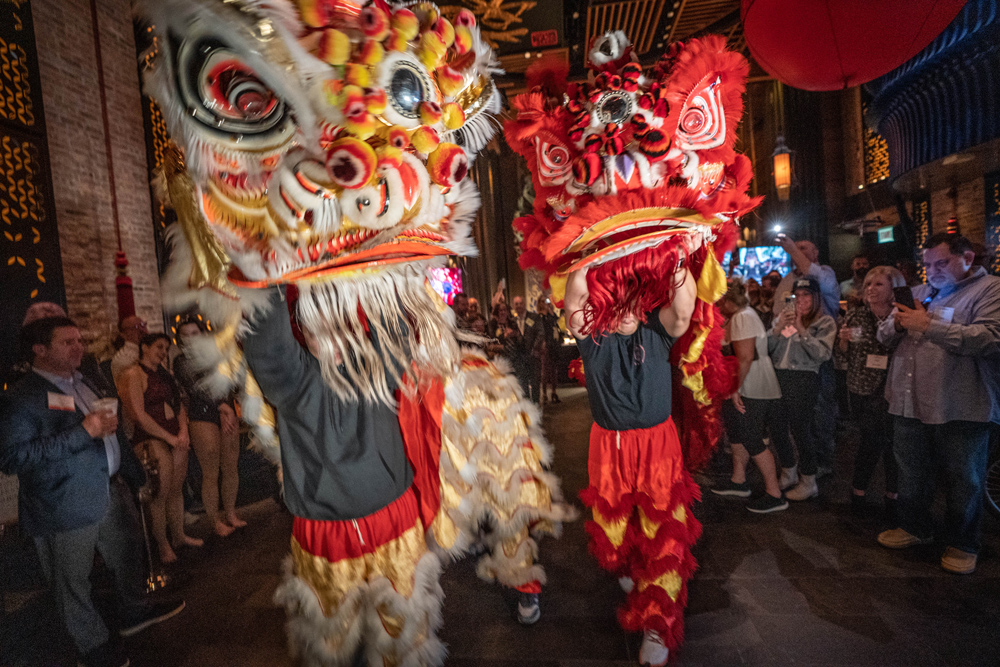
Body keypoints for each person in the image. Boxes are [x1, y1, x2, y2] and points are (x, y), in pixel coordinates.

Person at [242, 286, 447, 663]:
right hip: (326, 539)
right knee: (339, 648)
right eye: (318, 329)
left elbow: (393, 316)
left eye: (340, 325)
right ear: (303, 331)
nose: (333, 341)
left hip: (395, 526)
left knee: (401, 640)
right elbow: (267, 345)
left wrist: (376, 272)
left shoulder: (380, 365)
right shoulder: (293, 382)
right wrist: (267, 274)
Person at [0, 317, 185, 667]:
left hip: (111, 489)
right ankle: (92, 645)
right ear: (40, 350)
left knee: (128, 554)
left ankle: (134, 612)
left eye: (79, 340)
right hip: (63, 502)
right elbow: (13, 457)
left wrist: (134, 474)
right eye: (67, 342)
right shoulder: (22, 397)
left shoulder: (86, 381)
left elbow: (110, 431)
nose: (78, 347)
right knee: (72, 581)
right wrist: (83, 432)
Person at [565, 264, 697, 667]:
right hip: (609, 447)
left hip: (658, 446)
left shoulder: (657, 329)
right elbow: (574, 303)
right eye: (616, 296)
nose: (625, 305)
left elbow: (683, 312)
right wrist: (588, 255)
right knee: (612, 528)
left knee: (664, 533)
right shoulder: (592, 335)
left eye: (632, 296)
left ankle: (658, 623)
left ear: (644, 301)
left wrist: (678, 261)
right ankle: (628, 565)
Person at [876, 233, 1000, 575]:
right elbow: (883, 335)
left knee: (964, 477)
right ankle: (914, 526)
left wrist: (928, 326)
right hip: (909, 400)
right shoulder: (920, 292)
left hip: (959, 402)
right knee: (911, 470)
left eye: (941, 263)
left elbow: (991, 338)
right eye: (927, 265)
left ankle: (963, 542)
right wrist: (896, 324)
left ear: (967, 258)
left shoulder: (990, 290)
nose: (932, 271)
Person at [118, 333, 200, 564]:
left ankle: (179, 535)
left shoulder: (165, 375)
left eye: (166, 348)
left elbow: (179, 405)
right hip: (150, 437)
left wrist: (182, 431)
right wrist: (169, 438)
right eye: (159, 347)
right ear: (144, 347)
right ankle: (162, 545)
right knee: (159, 494)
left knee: (176, 489)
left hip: (175, 434)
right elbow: (138, 414)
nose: (163, 352)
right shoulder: (133, 374)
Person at [712, 281, 786, 513]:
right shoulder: (739, 317)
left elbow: (745, 357)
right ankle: (739, 480)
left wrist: (736, 388)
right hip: (743, 384)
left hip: (752, 385)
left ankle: (774, 493)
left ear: (726, 300)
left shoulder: (743, 317)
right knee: (737, 432)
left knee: (751, 436)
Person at [837, 266, 903, 523]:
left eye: (878, 284)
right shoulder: (857, 315)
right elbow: (843, 355)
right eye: (868, 284)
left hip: (895, 387)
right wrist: (843, 340)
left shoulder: (903, 316)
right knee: (870, 441)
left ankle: (893, 496)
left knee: (894, 445)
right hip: (862, 388)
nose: (871, 289)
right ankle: (858, 493)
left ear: (893, 288)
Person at [773, 234, 841, 478]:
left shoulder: (826, 274)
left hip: (817, 357)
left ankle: (821, 463)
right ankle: (801, 464)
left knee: (820, 412)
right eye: (795, 249)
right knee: (796, 419)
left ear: (816, 253)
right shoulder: (788, 279)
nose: (796, 252)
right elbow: (777, 310)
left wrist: (792, 248)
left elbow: (812, 273)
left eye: (803, 248)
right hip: (790, 355)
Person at [173, 319, 245, 537]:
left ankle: (231, 513)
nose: (191, 338)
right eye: (186, 335)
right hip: (202, 413)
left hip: (226, 409)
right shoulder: (181, 361)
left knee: (230, 466)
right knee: (210, 472)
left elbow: (230, 379)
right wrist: (223, 407)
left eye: (194, 333)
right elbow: (196, 387)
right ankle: (215, 521)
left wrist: (230, 405)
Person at [767, 277, 837, 501]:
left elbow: (822, 354)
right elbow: (767, 348)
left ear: (816, 298)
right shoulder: (785, 319)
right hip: (779, 375)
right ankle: (789, 471)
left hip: (804, 378)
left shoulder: (824, 322)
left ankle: (809, 480)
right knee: (777, 427)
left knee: (801, 429)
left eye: (806, 295)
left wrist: (801, 329)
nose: (801, 300)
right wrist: (778, 328)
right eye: (797, 295)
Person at [511, 295, 541, 402]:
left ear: (524, 304)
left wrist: (535, 348)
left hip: (533, 356)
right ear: (514, 306)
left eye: (521, 303)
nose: (519, 306)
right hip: (520, 358)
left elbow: (540, 333)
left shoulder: (534, 317)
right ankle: (528, 408)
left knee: (535, 384)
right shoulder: (512, 321)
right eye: (516, 304)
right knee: (523, 385)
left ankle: (536, 406)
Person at [536, 298, 562, 405]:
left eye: (546, 301)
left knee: (554, 371)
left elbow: (557, 324)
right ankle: (544, 394)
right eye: (542, 301)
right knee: (545, 372)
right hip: (545, 346)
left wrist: (551, 311)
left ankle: (554, 392)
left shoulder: (552, 315)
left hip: (554, 346)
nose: (545, 304)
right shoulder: (539, 317)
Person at [110, 316, 148, 382]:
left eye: (142, 325)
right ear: (124, 335)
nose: (142, 330)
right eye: (135, 327)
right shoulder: (123, 359)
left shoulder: (150, 350)